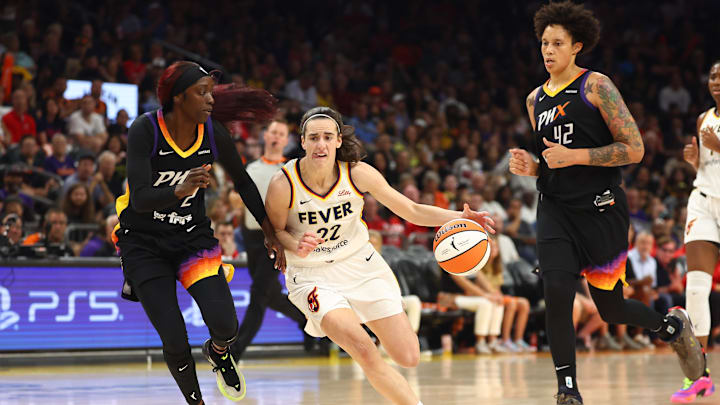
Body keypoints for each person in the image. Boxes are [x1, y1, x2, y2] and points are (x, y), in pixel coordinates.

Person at [508, 2, 704, 404]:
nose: (548, 50)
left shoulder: (596, 86)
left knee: (611, 309)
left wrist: (576, 156)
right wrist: (533, 169)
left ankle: (668, 328)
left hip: (600, 209)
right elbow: (552, 163)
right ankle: (568, 390)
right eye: (544, 42)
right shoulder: (534, 101)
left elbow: (634, 149)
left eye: (557, 43)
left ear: (576, 46)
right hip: (556, 210)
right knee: (557, 291)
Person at [264, 106, 495, 405]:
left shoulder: (357, 173)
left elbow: (411, 209)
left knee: (409, 356)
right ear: (303, 141)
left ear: (337, 141)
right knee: (363, 349)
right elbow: (274, 232)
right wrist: (296, 244)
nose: (321, 144)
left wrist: (459, 216)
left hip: (361, 265)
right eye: (314, 138)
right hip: (312, 275)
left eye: (327, 137)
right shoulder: (283, 184)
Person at [114, 61, 283, 405]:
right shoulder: (145, 130)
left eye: (211, 91)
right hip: (144, 243)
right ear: (178, 98)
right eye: (201, 92)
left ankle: (219, 352)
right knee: (174, 339)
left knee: (227, 326)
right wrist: (180, 188)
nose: (210, 100)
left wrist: (270, 233)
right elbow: (142, 198)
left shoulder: (212, 132)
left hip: (192, 238)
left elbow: (245, 184)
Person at [229, 119, 308, 359]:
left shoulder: (289, 171)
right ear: (265, 135)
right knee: (270, 295)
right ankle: (309, 323)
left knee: (258, 294)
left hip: (274, 238)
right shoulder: (251, 168)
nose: (276, 136)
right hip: (251, 236)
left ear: (286, 140)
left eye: (281, 133)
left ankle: (236, 350)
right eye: (273, 131)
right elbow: (237, 200)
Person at [675, 60, 720, 403]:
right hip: (703, 200)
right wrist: (695, 161)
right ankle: (699, 376)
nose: (716, 82)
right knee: (695, 288)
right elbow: (708, 166)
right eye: (713, 76)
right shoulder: (704, 119)